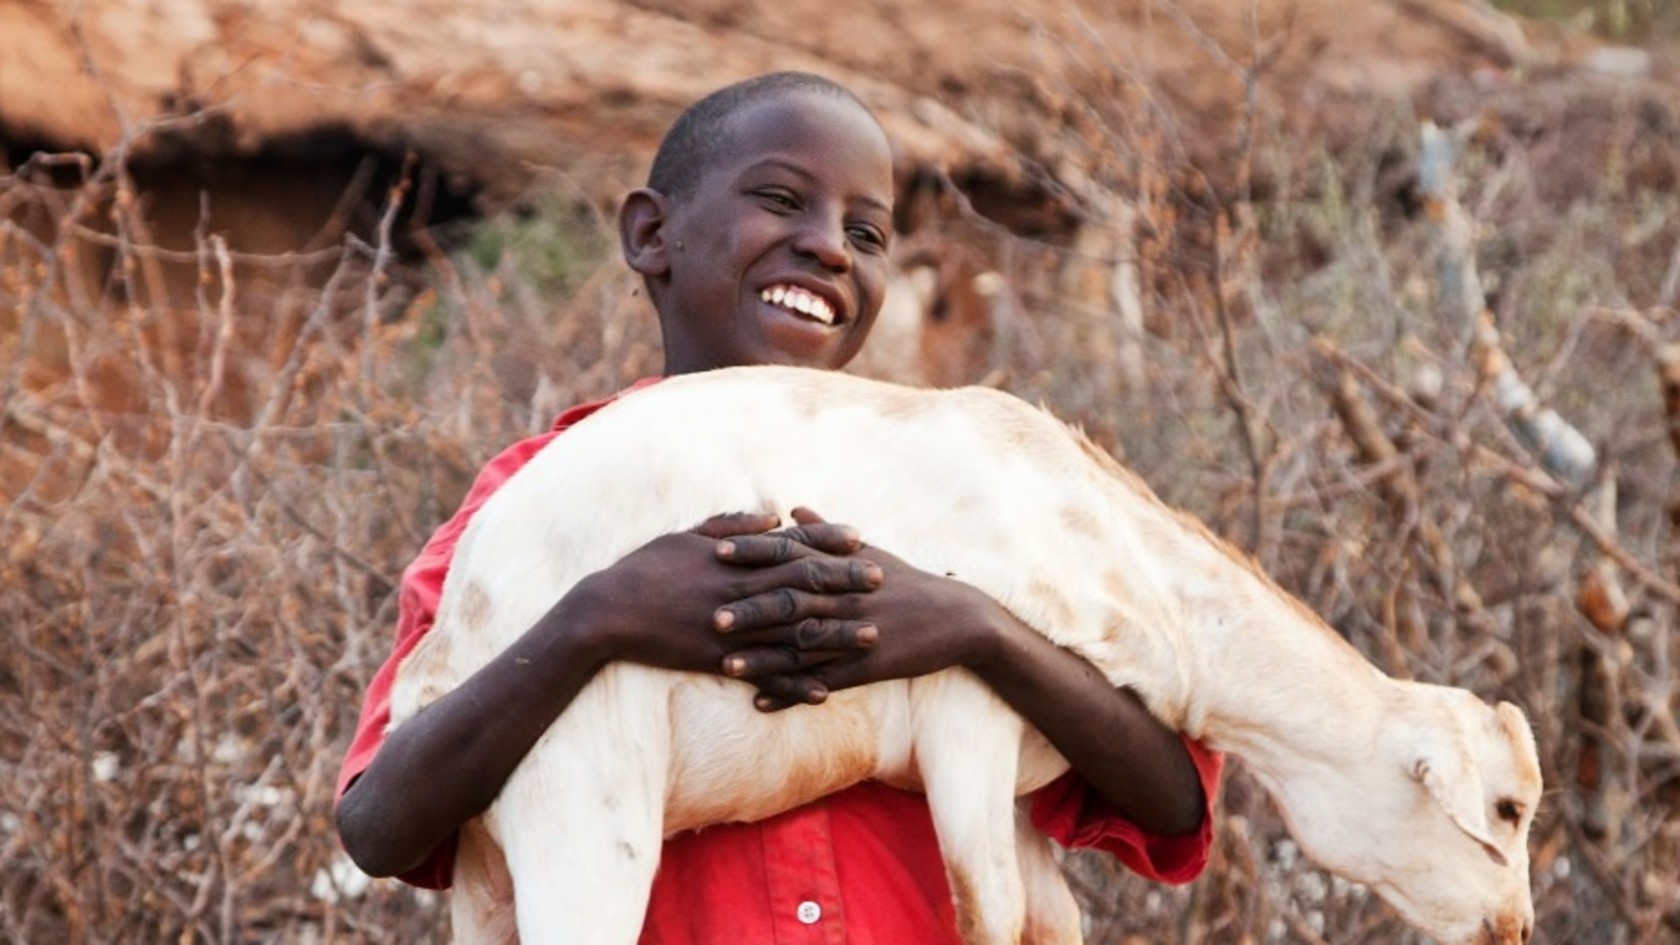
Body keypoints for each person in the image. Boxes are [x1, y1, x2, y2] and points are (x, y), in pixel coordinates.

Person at [335, 71, 1222, 942]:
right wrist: (598, 619)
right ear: (652, 234)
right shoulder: (532, 506)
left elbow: (1172, 797)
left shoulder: (960, 493)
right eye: (781, 199)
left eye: (869, 233)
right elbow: (381, 825)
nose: (831, 246)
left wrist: (973, 627)